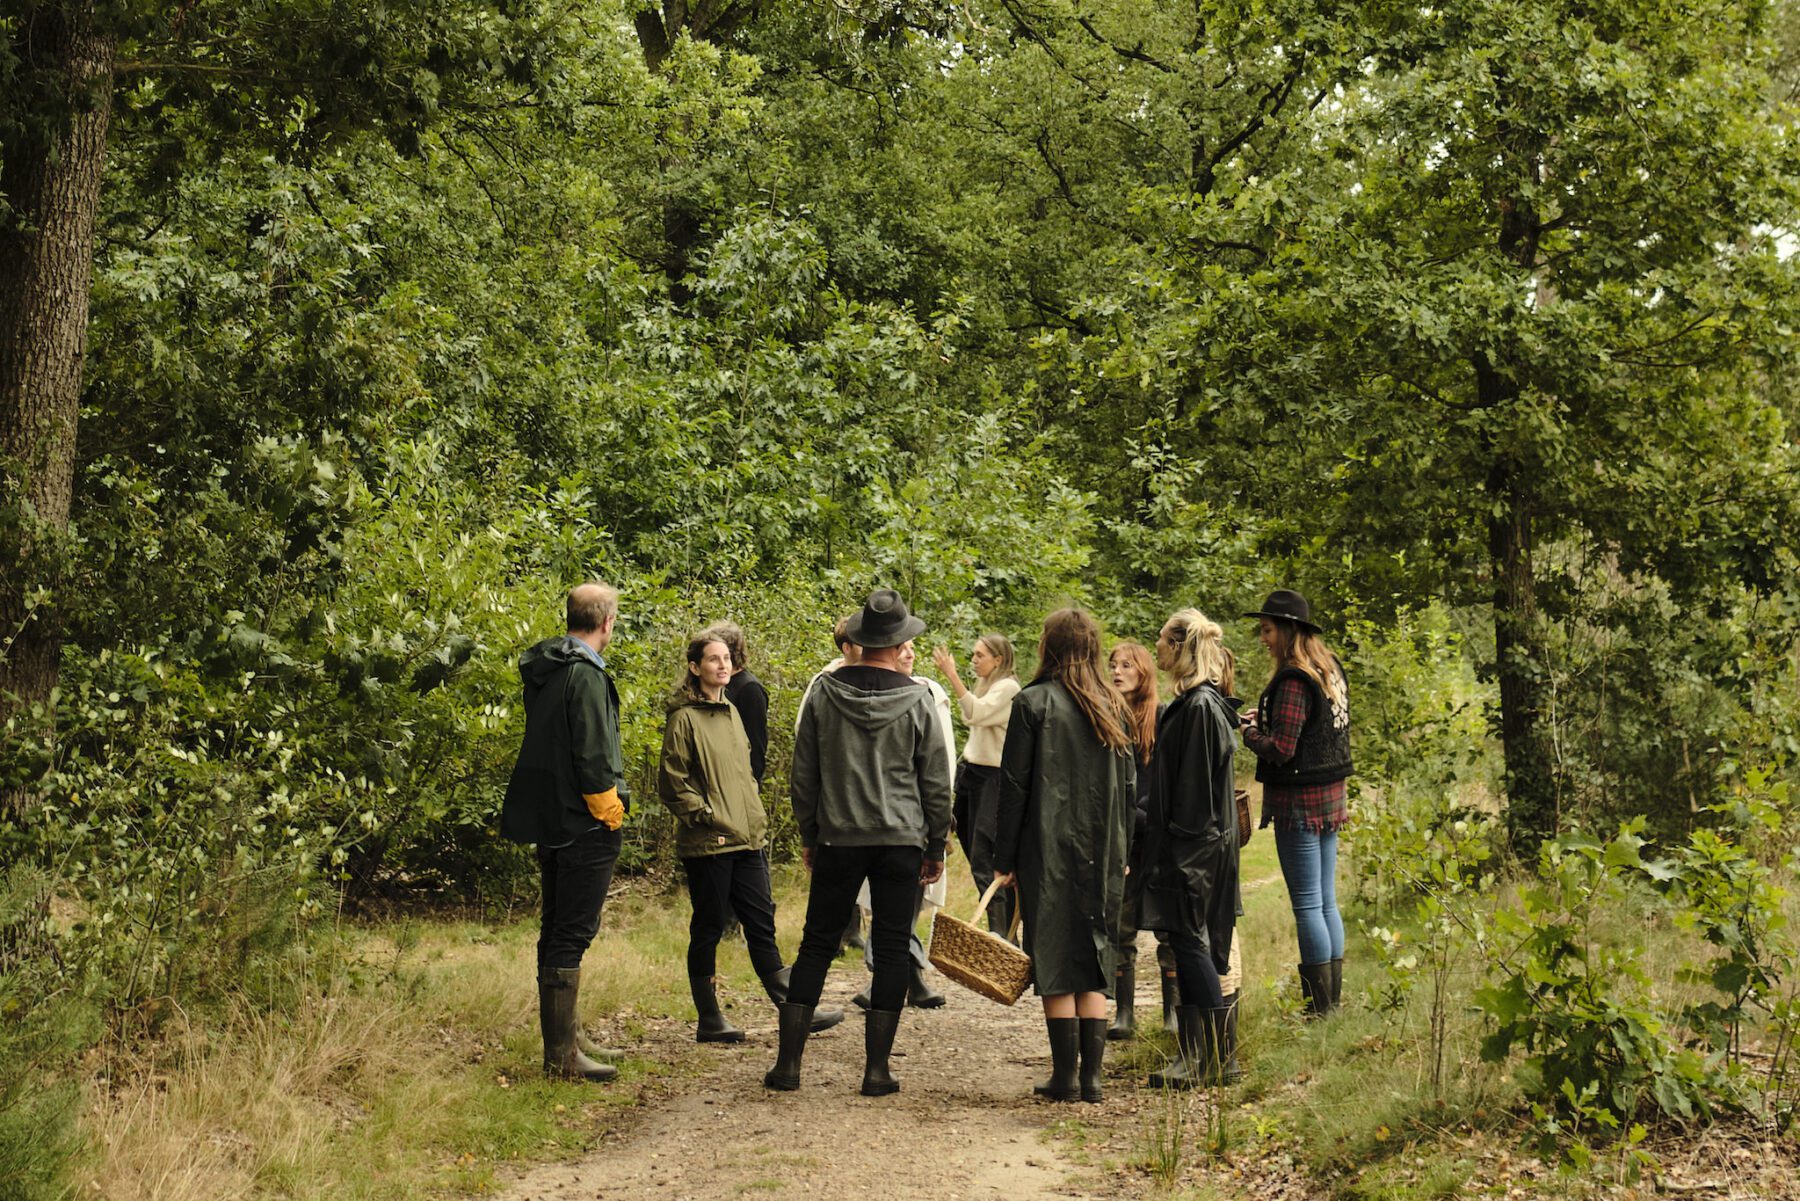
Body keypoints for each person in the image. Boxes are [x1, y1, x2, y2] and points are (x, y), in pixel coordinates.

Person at [764, 590, 954, 1097]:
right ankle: (876, 1071)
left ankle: (789, 1067)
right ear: (900, 643)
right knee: (892, 947)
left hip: (839, 838)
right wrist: (936, 844)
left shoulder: (824, 693)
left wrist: (810, 833)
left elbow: (802, 776)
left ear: (862, 640)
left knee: (817, 943)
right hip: (900, 840)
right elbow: (935, 782)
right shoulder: (919, 700)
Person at [659, 633, 844, 1044]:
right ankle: (710, 1019)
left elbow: (744, 775)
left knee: (762, 925)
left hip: (747, 839)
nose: (722, 666)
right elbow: (673, 785)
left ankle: (796, 1009)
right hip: (709, 844)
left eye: (726, 659)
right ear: (695, 667)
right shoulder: (683, 718)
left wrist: (753, 819)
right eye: (712, 660)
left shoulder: (732, 710)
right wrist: (707, 816)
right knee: (708, 927)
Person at [993, 609, 1135, 1104]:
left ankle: (1065, 1077)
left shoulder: (1032, 703)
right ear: (1093, 649)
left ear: (1048, 647)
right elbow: (1129, 787)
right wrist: (1125, 850)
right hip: (1102, 849)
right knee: (1096, 952)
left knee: (1053, 952)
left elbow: (1013, 786)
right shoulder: (1113, 704)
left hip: (1045, 849)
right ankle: (1092, 1080)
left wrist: (1003, 857)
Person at [500, 582, 630, 1083]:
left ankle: (568, 1036)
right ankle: (561, 1057)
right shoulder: (586, 677)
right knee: (571, 933)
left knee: (556, 928)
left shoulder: (549, 668)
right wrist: (610, 812)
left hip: (553, 819)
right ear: (606, 623)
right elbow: (593, 755)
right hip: (582, 822)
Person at [1140, 610, 1242, 1087]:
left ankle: (1217, 1059)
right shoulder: (1195, 703)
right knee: (1189, 944)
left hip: (1194, 848)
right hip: (1193, 845)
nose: (1156, 647)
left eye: (1162, 640)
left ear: (1179, 646)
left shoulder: (1200, 707)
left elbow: (1195, 794)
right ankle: (1201, 1057)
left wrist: (1179, 852)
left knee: (1192, 943)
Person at [1240, 589, 1352, 1016]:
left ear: (1287, 631)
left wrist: (1248, 732)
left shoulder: (1293, 677)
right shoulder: (1328, 668)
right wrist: (1264, 719)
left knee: (1307, 903)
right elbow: (1313, 729)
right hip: (1330, 795)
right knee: (1325, 900)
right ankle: (1332, 1002)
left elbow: (1283, 748)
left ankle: (1320, 1007)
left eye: (1267, 630)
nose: (1263, 638)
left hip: (1300, 802)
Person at [849, 637, 951, 1009]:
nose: (908, 653)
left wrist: (940, 828)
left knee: (909, 903)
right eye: (901, 647)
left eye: (912, 647)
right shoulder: (858, 693)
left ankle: (911, 976)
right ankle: (888, 979)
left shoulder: (930, 694)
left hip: (916, 822)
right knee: (886, 904)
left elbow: (941, 766)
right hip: (873, 822)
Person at [1104, 640, 1180, 1041]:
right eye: (1113, 665)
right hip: (1121, 836)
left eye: (1127, 665)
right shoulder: (1104, 717)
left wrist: (1148, 820)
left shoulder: (1163, 716)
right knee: (1121, 924)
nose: (1117, 672)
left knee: (1167, 925)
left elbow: (1165, 779)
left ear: (1144, 672)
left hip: (1157, 833)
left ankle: (1171, 1012)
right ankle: (1125, 1014)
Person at [932, 633, 1021, 937]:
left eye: (980, 655)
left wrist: (951, 674)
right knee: (971, 848)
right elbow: (973, 717)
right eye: (973, 655)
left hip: (992, 779)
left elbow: (975, 713)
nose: (974, 660)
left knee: (985, 856)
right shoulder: (989, 685)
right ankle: (1004, 931)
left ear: (998, 658)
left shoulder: (1008, 687)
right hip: (972, 773)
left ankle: (1000, 937)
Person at [702, 620, 770, 786]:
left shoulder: (749, 689)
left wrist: (749, 788)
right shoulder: (718, 683)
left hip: (738, 785)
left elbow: (756, 746)